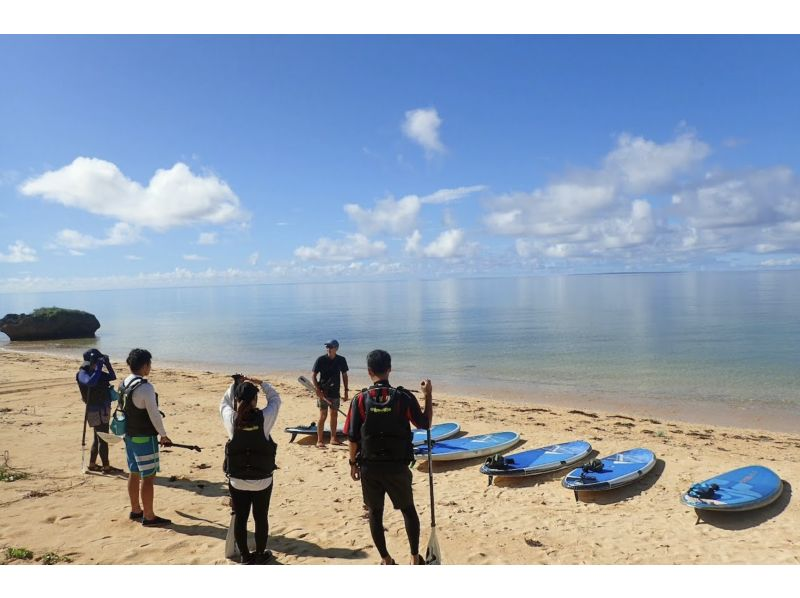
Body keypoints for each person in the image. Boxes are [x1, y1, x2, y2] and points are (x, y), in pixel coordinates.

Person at [344, 349, 433, 565]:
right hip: (397, 466)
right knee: (408, 510)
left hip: (369, 467)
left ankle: (386, 559)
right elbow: (425, 424)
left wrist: (352, 463)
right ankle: (414, 558)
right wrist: (428, 395)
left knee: (375, 513)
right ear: (390, 369)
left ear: (369, 372)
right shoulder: (403, 398)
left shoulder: (360, 400)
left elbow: (353, 437)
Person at [220, 375, 281, 564]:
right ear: (255, 400)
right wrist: (261, 383)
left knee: (241, 518)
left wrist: (234, 385)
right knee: (260, 518)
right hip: (262, 480)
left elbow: (224, 401)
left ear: (237, 400)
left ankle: (245, 557)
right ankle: (261, 554)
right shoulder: (265, 418)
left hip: (237, 480)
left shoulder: (231, 419)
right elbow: (276, 399)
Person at [119, 348, 172, 527]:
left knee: (134, 473)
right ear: (144, 365)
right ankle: (149, 516)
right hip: (144, 438)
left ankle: (136, 509)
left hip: (129, 436)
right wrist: (163, 435)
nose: (150, 367)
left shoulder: (125, 383)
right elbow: (154, 415)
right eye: (149, 364)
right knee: (148, 477)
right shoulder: (145, 387)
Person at [76, 348, 122, 474]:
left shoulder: (97, 372)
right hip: (94, 409)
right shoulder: (83, 373)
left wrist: (107, 364)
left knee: (98, 438)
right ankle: (106, 467)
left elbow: (112, 376)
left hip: (103, 408)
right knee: (103, 438)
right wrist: (98, 368)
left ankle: (92, 464)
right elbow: (90, 383)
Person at [311, 339, 349, 448]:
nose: (328, 348)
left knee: (334, 415)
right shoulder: (321, 360)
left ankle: (333, 438)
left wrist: (346, 391)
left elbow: (345, 375)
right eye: (327, 347)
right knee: (323, 416)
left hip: (335, 392)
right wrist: (317, 390)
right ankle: (319, 440)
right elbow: (313, 375)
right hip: (323, 392)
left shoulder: (341, 360)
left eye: (330, 347)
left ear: (336, 348)